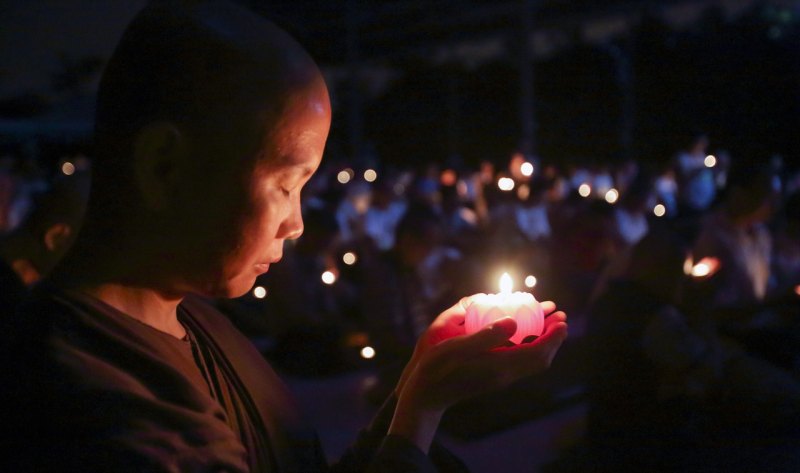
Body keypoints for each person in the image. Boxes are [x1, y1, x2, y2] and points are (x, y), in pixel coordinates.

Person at [2, 1, 568, 471]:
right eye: (286, 184)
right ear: (165, 166)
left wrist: (420, 387)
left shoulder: (190, 316)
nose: (296, 224)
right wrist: (421, 408)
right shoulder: (88, 404)